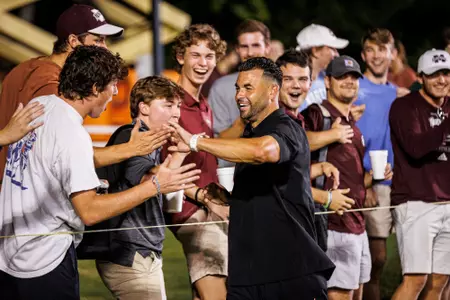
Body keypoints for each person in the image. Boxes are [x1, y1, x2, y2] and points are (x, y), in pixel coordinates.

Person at [0, 46, 200, 300]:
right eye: (113, 85)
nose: (115, 93)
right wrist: (155, 186)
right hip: (43, 261)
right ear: (95, 88)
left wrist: (127, 150)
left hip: (9, 256)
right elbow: (90, 211)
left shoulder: (41, 106)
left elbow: (69, 157)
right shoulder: (72, 133)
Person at [169, 57, 335, 300]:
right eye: (238, 88)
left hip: (290, 272)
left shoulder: (286, 126)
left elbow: (264, 152)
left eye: (248, 88)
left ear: (272, 91)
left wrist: (195, 142)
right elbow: (270, 193)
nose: (239, 95)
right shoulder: (251, 133)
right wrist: (231, 199)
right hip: (248, 274)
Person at [0, 4, 164, 185]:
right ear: (73, 41)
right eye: (98, 40)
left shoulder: (25, 68)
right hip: (24, 198)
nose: (105, 49)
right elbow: (70, 155)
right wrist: (131, 149)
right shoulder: (53, 86)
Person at [303, 56, 392, 300]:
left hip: (356, 223)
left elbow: (351, 179)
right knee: (338, 294)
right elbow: (296, 144)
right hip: (331, 223)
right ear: (328, 82)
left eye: (354, 77)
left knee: (355, 293)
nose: (350, 82)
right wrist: (331, 135)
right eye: (343, 77)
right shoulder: (317, 113)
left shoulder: (352, 121)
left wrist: (373, 178)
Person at [91, 76, 189, 299]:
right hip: (131, 254)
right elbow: (147, 180)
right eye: (168, 105)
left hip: (140, 252)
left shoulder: (149, 140)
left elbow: (157, 182)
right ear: (144, 107)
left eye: (178, 106)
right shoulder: (133, 136)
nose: (176, 113)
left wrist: (181, 152)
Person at [171, 24, 229, 300]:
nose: (202, 63)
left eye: (209, 56)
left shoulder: (203, 103)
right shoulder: (170, 102)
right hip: (192, 211)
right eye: (195, 55)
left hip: (211, 206)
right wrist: (205, 199)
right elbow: (161, 169)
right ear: (181, 57)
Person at [390, 49, 450, 300]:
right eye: (435, 75)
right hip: (416, 202)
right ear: (422, 77)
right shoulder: (405, 106)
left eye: (446, 74)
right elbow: (416, 148)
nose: (442, 80)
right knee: (415, 280)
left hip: (447, 201)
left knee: (439, 281)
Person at [351, 28, 397, 300]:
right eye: (371, 49)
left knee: (379, 261)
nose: (377, 55)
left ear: (392, 54)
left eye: (382, 49)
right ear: (363, 54)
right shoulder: (355, 88)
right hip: (365, 181)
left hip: (393, 182)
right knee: (374, 258)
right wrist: (362, 181)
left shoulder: (396, 92)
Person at [209, 20, 271, 138]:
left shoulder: (282, 84)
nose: (250, 53)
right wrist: (244, 120)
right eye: (244, 47)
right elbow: (218, 141)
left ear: (267, 47)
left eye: (256, 45)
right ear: (237, 49)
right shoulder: (221, 88)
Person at [295, 23, 348, 111]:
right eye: (332, 48)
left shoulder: (327, 80)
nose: (337, 54)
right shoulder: (293, 83)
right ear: (315, 51)